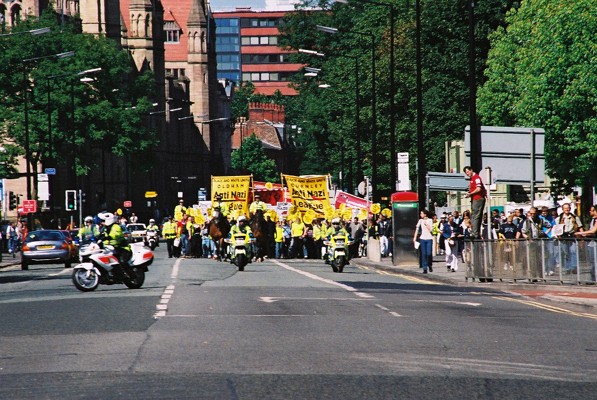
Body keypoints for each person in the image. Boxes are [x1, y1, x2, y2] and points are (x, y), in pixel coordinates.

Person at [554, 203, 583, 274]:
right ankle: (568, 268)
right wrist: (557, 236)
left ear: (570, 208)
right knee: (566, 253)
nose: (566, 209)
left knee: (573, 252)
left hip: (572, 236)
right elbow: (555, 228)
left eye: (568, 208)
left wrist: (582, 236)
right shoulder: (559, 218)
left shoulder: (575, 217)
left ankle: (574, 267)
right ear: (563, 209)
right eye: (565, 208)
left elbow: (580, 227)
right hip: (564, 237)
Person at [463, 166, 487, 239]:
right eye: (466, 173)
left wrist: (470, 194)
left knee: (475, 216)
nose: (467, 174)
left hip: (478, 199)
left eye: (467, 172)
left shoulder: (476, 178)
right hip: (475, 198)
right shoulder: (472, 179)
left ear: (471, 170)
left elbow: (478, 188)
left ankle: (475, 233)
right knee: (475, 216)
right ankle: (475, 232)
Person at [575, 205, 597, 282]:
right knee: (592, 261)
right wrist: (585, 234)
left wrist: (581, 233)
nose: (590, 212)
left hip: (595, 243)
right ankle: (593, 278)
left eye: (591, 210)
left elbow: (593, 231)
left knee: (595, 261)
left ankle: (594, 279)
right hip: (591, 243)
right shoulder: (593, 220)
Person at [414, 209, 434, 274]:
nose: (420, 215)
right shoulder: (420, 220)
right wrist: (414, 237)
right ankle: (424, 268)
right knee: (424, 254)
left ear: (425, 214)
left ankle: (430, 265)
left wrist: (426, 224)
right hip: (422, 238)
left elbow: (431, 230)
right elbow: (417, 229)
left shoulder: (430, 220)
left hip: (429, 238)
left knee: (429, 253)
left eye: (421, 213)